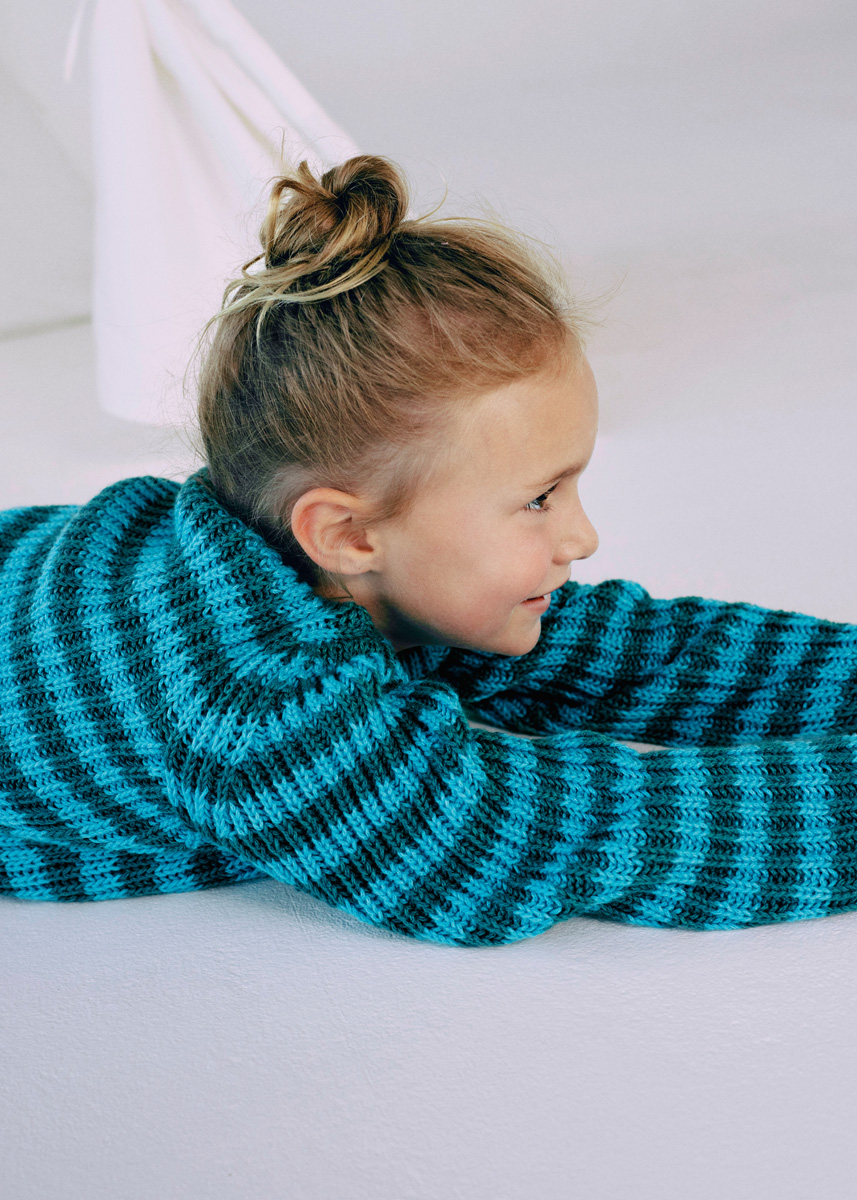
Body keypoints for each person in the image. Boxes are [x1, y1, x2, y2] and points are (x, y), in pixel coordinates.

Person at [2, 155, 857, 947]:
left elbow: (641, 657)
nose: (581, 538)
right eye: (537, 499)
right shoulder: (263, 715)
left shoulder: (356, 570)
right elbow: (548, 833)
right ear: (348, 535)